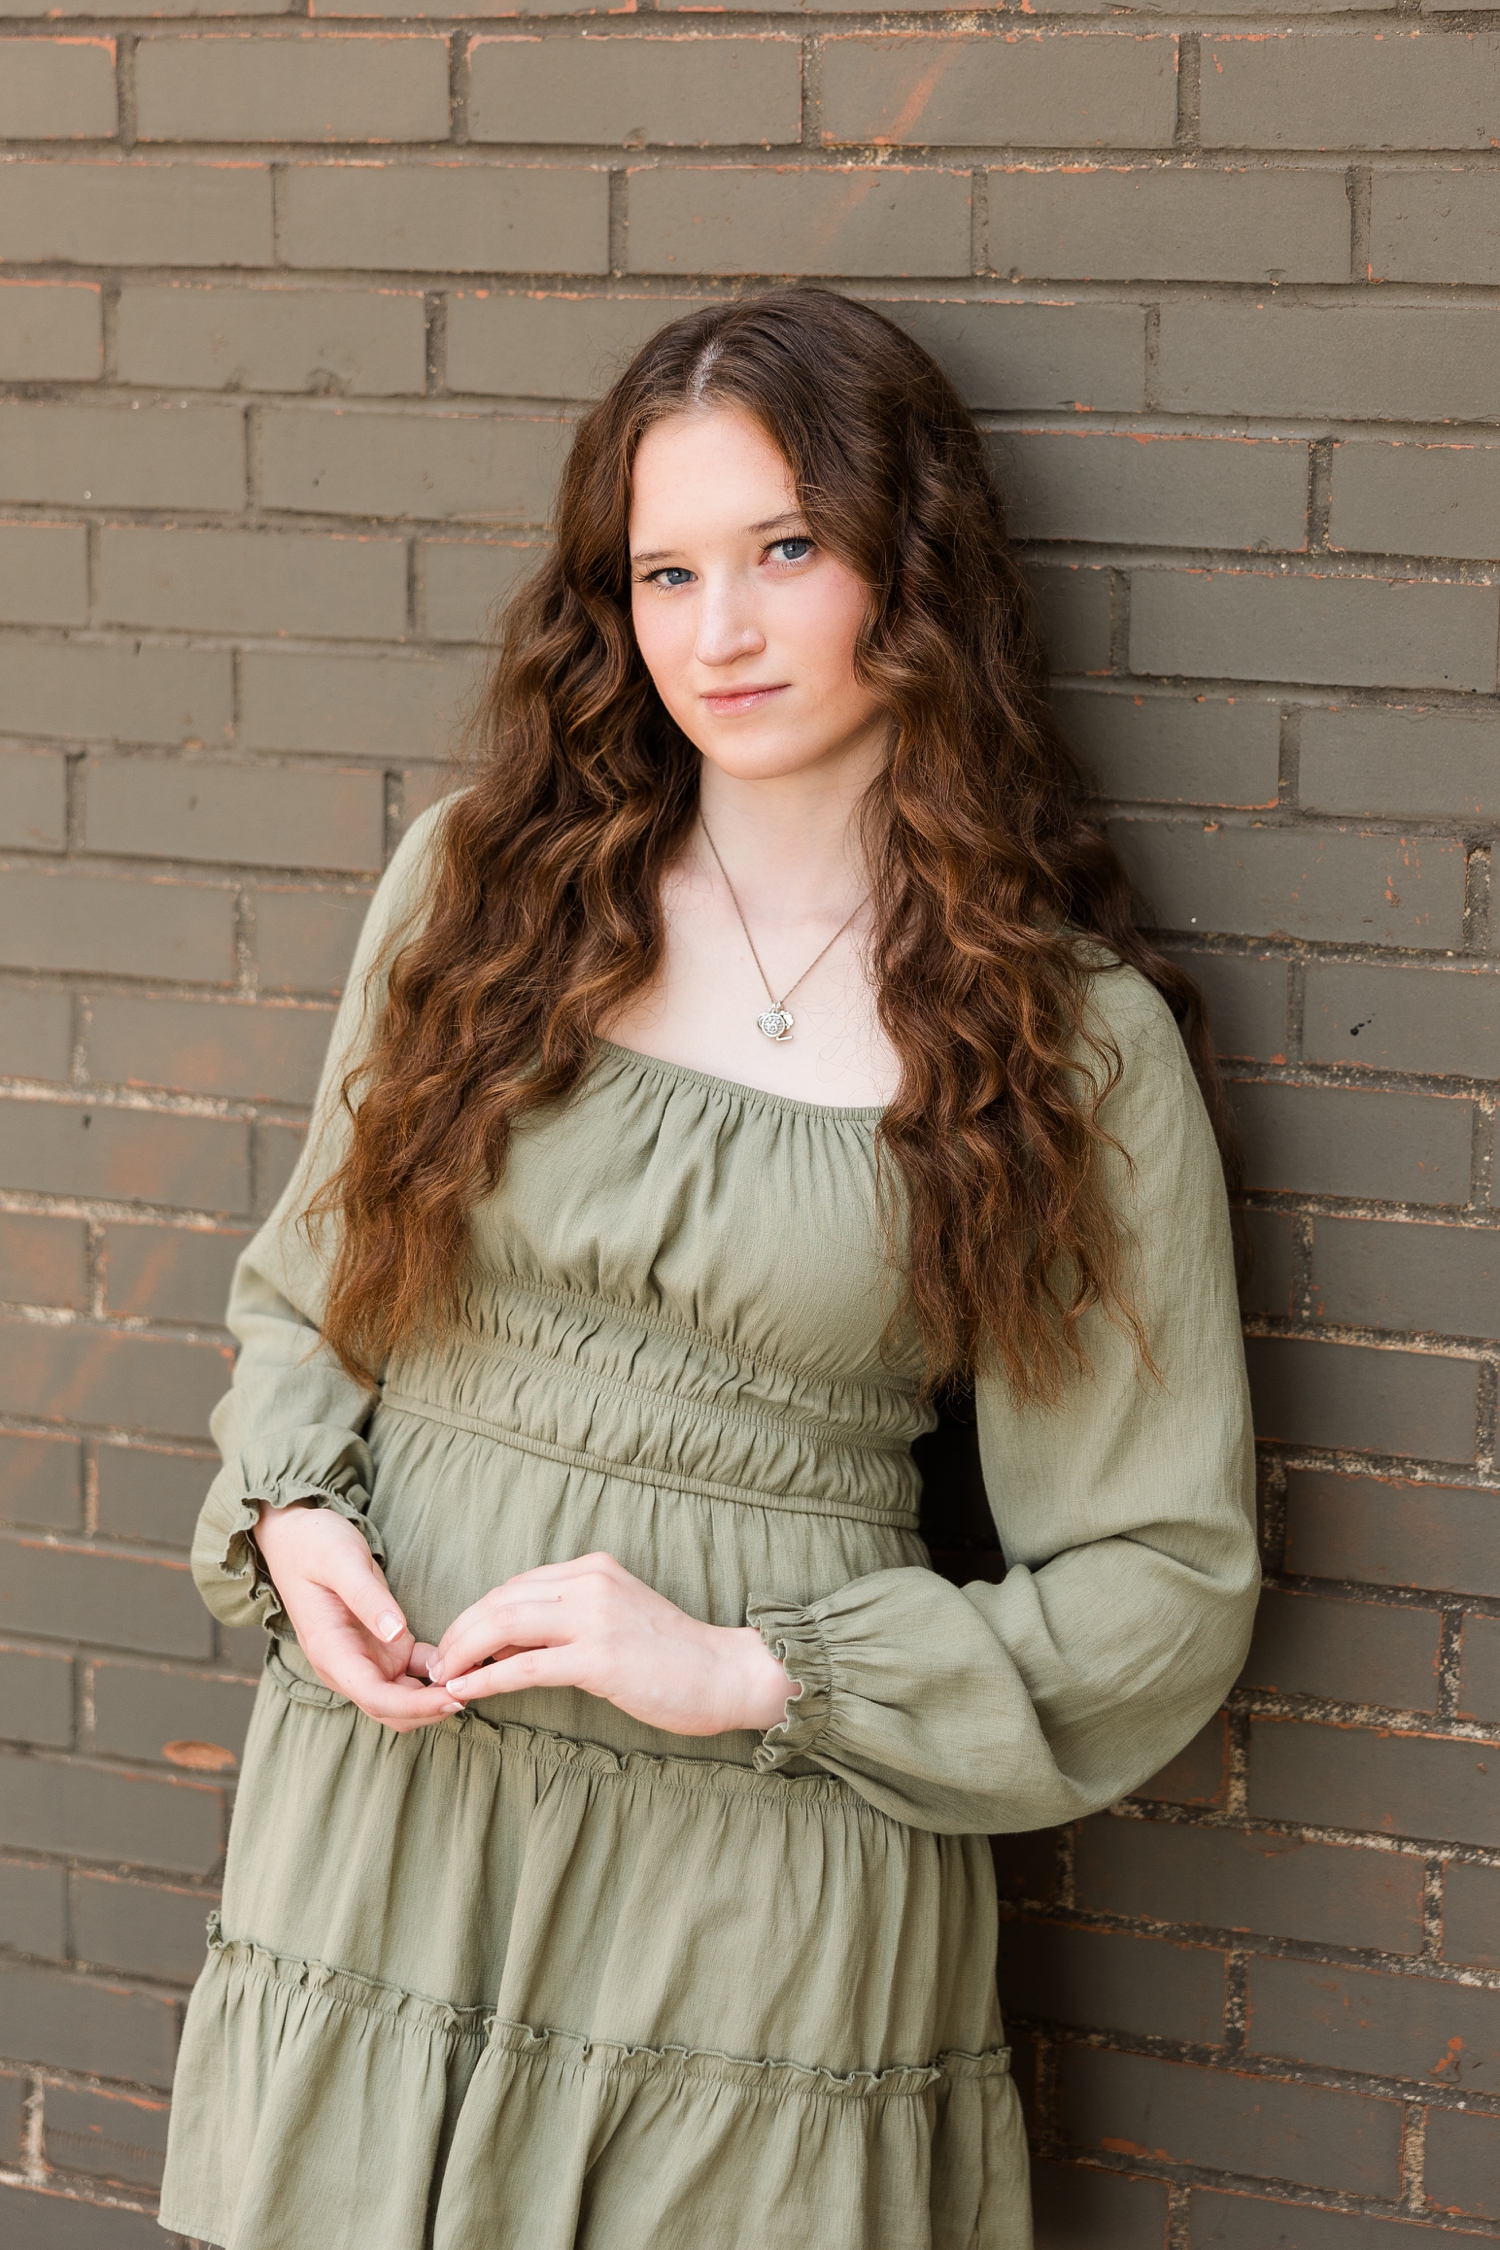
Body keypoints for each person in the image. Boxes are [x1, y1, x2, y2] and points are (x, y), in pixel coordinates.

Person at [158, 289, 1260, 2250]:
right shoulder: (480, 899)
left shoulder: (1066, 1046)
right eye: (664, 571)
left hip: (763, 1880)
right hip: (396, 1811)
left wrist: (754, 1670)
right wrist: (295, 1514)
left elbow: (1164, 1581)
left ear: (909, 571)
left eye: (785, 552)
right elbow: (310, 1296)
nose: (718, 632)